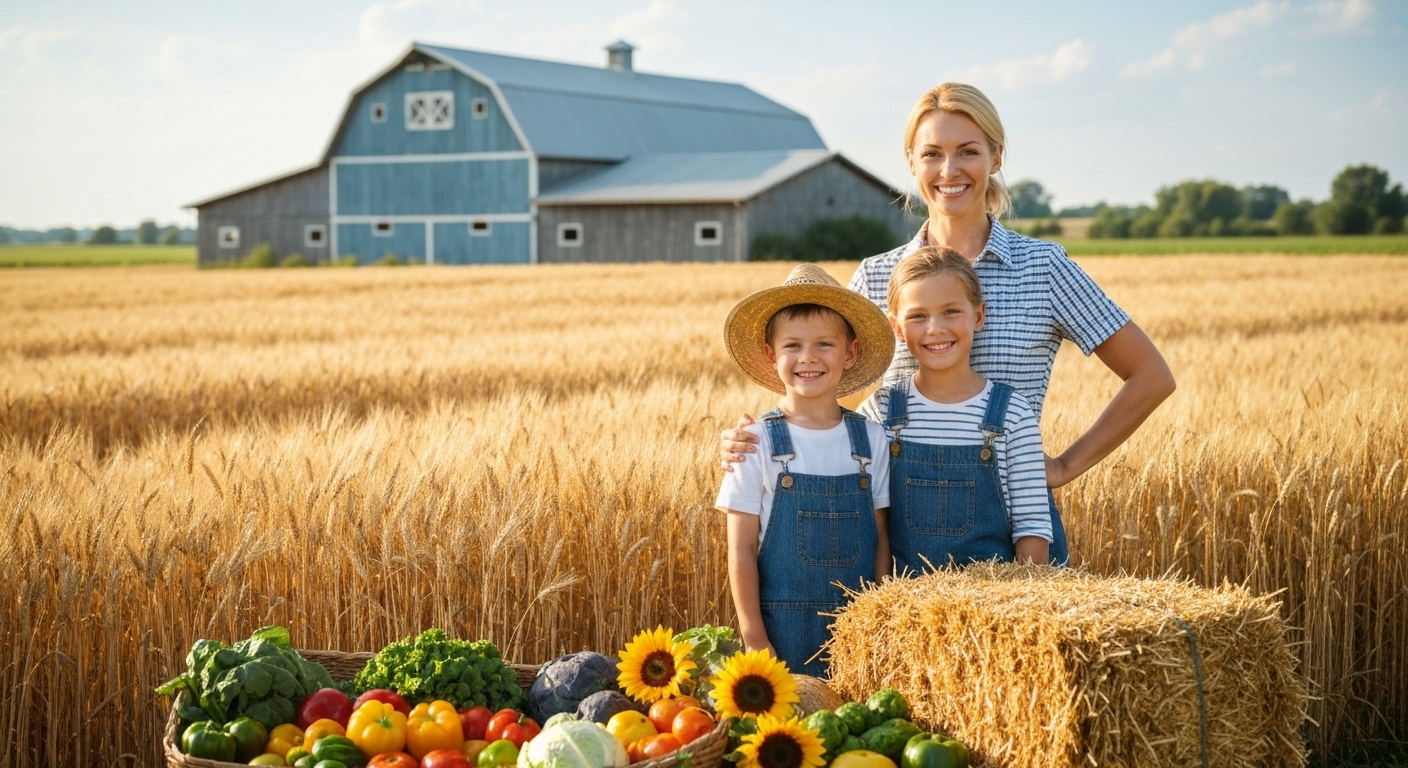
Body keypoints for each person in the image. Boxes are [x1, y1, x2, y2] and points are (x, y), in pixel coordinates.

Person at [721, 83, 1176, 566]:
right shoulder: (877, 276)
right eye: (932, 154)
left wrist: (1065, 465)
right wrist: (762, 439)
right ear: (912, 163)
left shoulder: (1042, 266)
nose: (949, 170)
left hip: (1016, 531)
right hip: (893, 532)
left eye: (968, 152)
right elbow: (826, 390)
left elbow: (1151, 376)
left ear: (996, 157)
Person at [715, 263, 896, 675]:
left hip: (858, 629)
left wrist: (880, 621)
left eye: (824, 345)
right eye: (792, 345)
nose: (808, 358)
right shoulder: (755, 441)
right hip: (778, 633)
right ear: (770, 355)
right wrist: (754, 637)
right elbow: (740, 548)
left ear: (849, 353)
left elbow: (882, 538)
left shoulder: (872, 439)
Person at [859, 246, 1051, 569]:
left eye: (951, 311)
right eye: (918, 316)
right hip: (908, 608)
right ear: (897, 328)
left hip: (990, 607)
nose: (935, 328)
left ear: (978, 316)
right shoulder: (880, 413)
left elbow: (1032, 530)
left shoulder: (1012, 415)